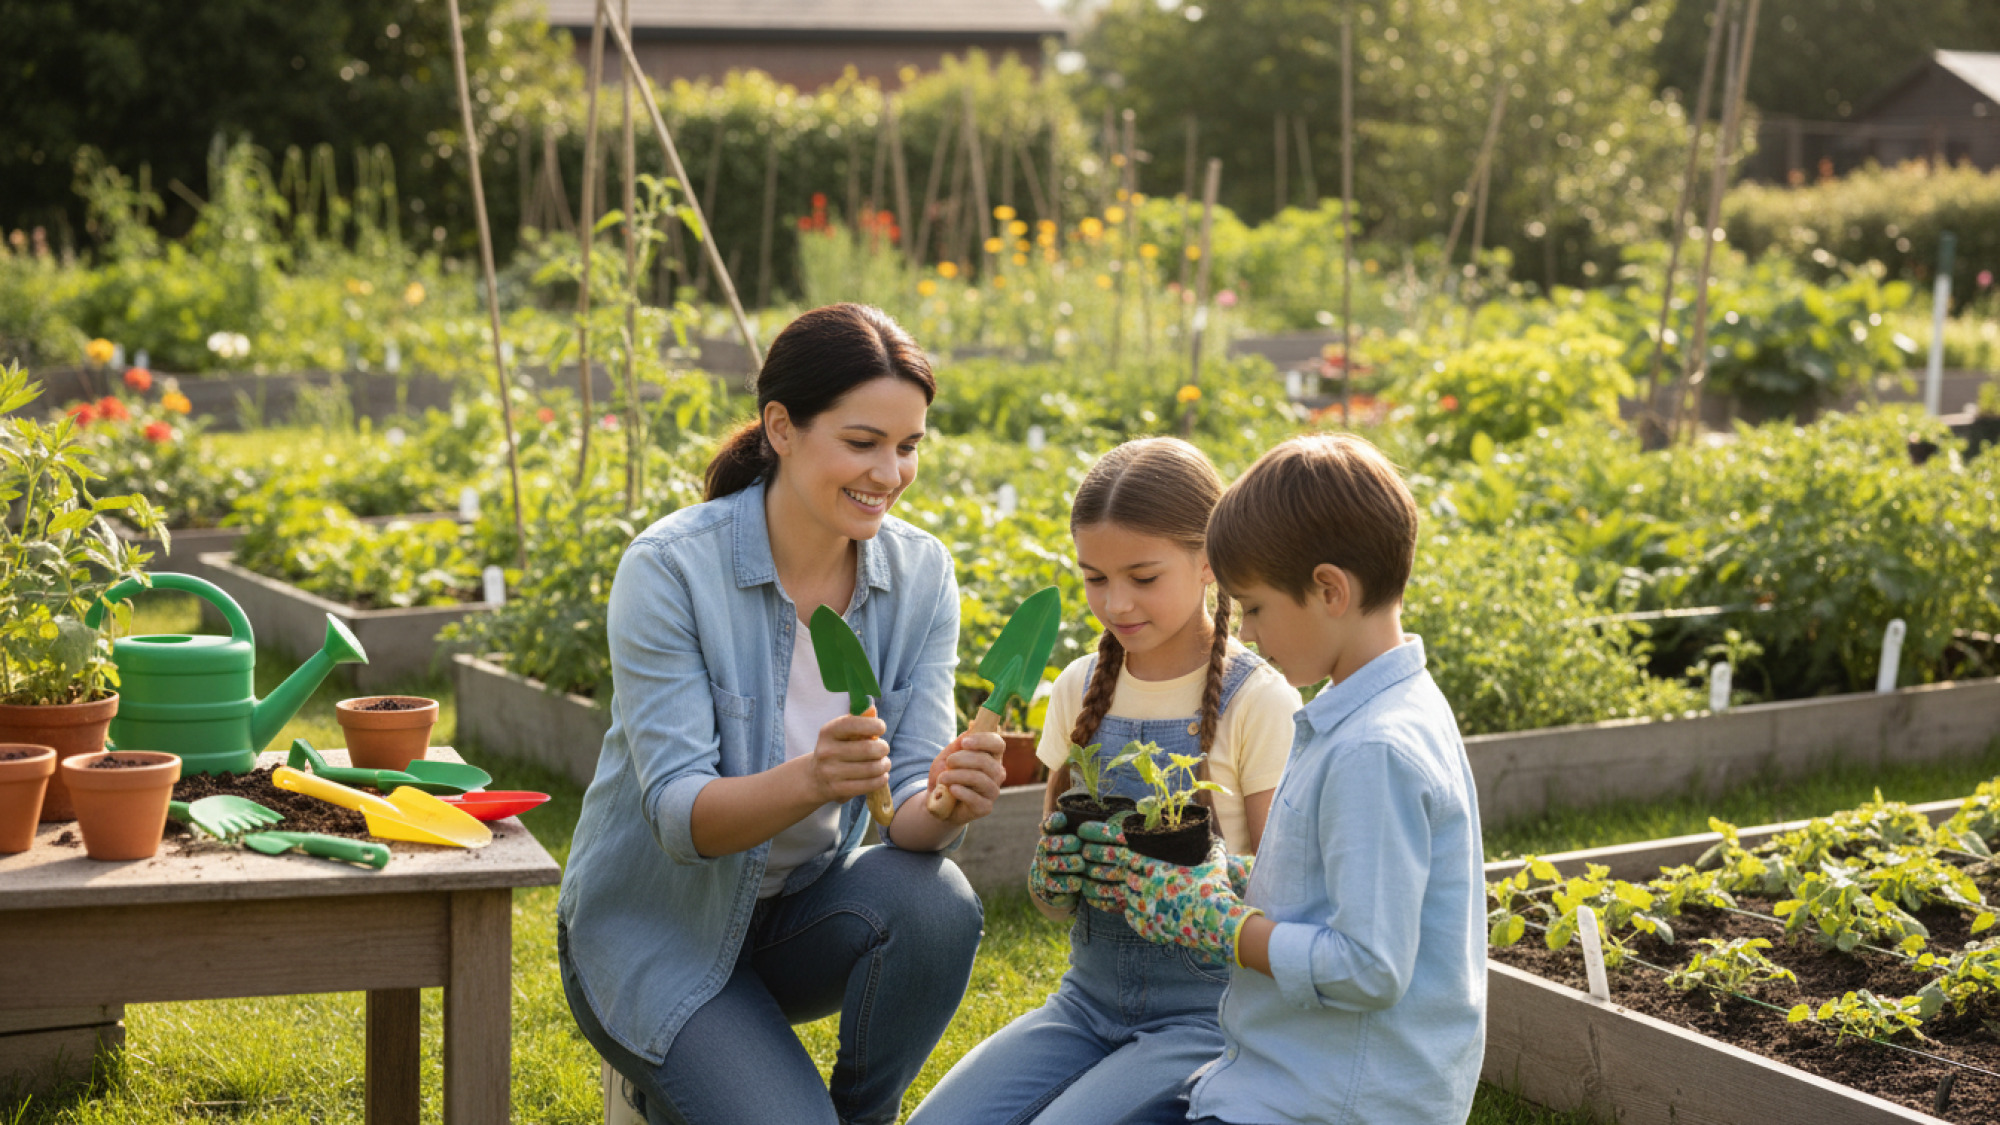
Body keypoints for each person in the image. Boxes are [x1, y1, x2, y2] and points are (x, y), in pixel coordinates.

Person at [557, 303, 1013, 1125]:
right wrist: (811, 778)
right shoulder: (671, 570)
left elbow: (907, 805)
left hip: (796, 918)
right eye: (863, 442)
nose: (890, 472)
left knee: (935, 899)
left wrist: (948, 800)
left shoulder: (919, 575)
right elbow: (676, 816)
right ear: (782, 427)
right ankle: (665, 1070)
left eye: (908, 446)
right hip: (655, 934)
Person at [1087, 432, 1486, 1125]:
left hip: (1333, 1101)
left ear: (1330, 589)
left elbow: (1369, 965)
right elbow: (1341, 883)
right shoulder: (1381, 706)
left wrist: (1224, 925)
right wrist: (1234, 876)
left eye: (1258, 607)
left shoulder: (1374, 748)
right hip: (1289, 1078)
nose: (1247, 630)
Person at [909, 437, 1302, 1125]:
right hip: (1084, 1004)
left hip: (1211, 1018)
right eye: (1095, 577)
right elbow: (1055, 901)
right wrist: (1053, 879)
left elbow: (1287, 898)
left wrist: (1201, 893)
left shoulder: (1258, 699)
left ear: (1209, 559)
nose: (1116, 602)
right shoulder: (1078, 687)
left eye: (1143, 577)